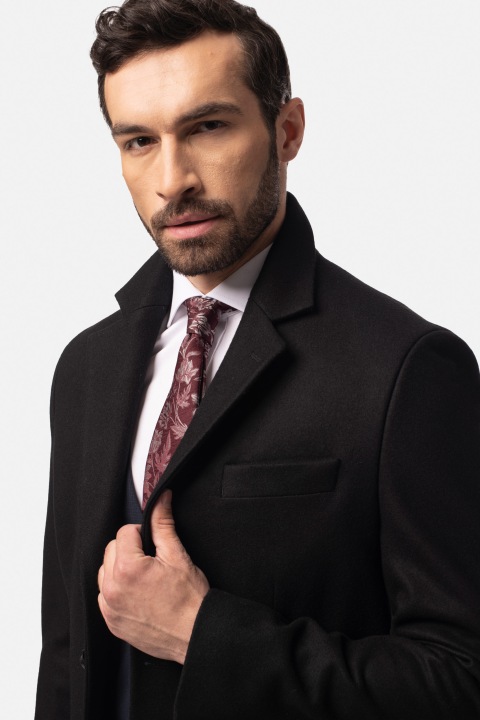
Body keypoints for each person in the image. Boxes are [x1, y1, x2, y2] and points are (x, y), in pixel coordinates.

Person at [35, 0, 480, 718]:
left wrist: (205, 636)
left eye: (207, 127)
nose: (172, 179)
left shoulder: (407, 368)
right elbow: (66, 655)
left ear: (287, 129)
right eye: (139, 141)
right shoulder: (85, 366)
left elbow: (460, 681)